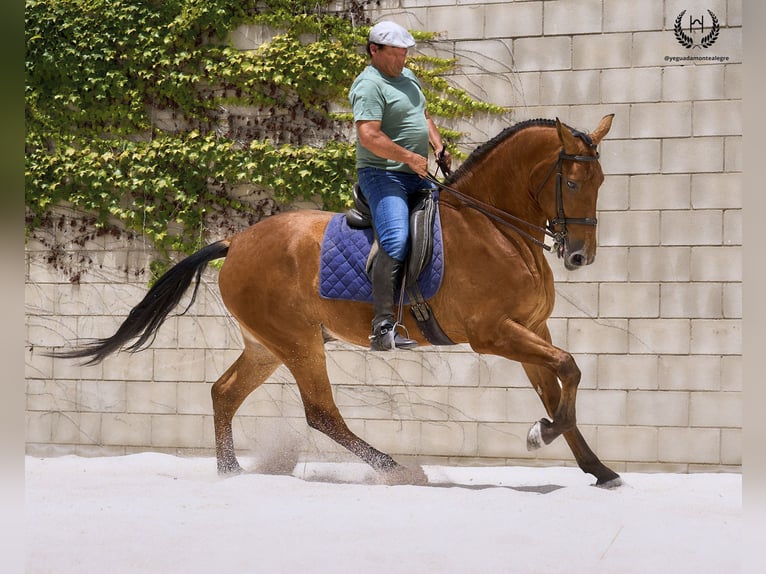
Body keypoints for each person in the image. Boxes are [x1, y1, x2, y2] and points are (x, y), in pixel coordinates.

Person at [349, 20, 452, 351]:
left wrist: (438, 145)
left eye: (405, 54)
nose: (401, 61)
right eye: (394, 54)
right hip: (382, 174)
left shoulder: (408, 78)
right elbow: (369, 136)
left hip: (415, 174)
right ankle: (382, 327)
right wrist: (408, 157)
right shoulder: (368, 85)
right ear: (374, 50)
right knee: (396, 238)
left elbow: (424, 116)